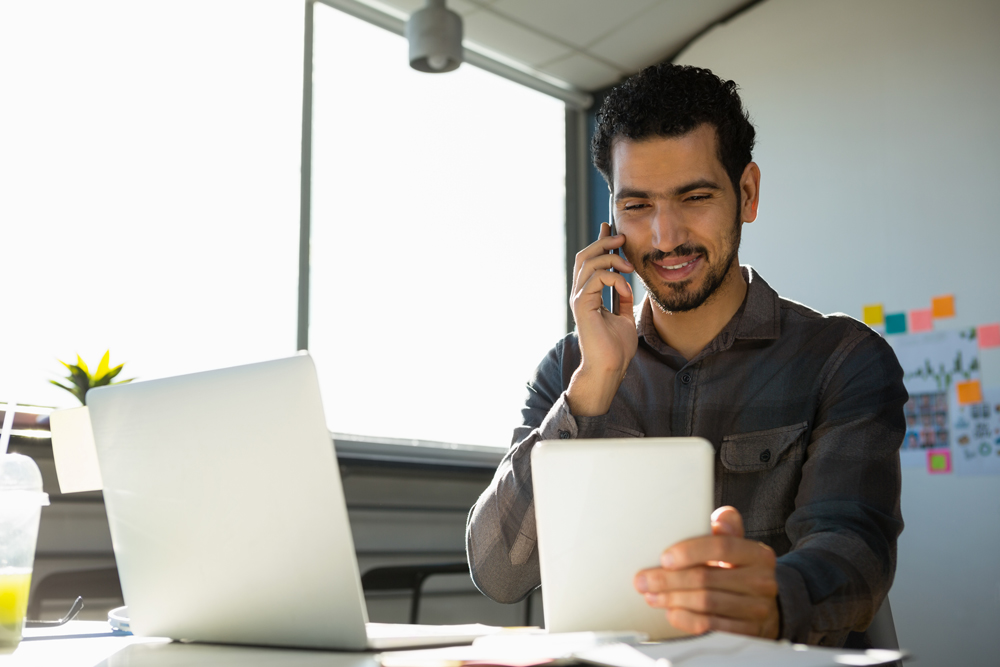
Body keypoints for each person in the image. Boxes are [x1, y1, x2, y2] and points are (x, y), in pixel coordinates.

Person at [465, 63, 906, 648]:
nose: (666, 235)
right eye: (638, 206)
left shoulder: (844, 359)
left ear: (746, 194)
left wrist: (770, 598)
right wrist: (593, 384)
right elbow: (499, 572)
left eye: (694, 197)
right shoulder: (571, 369)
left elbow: (855, 553)